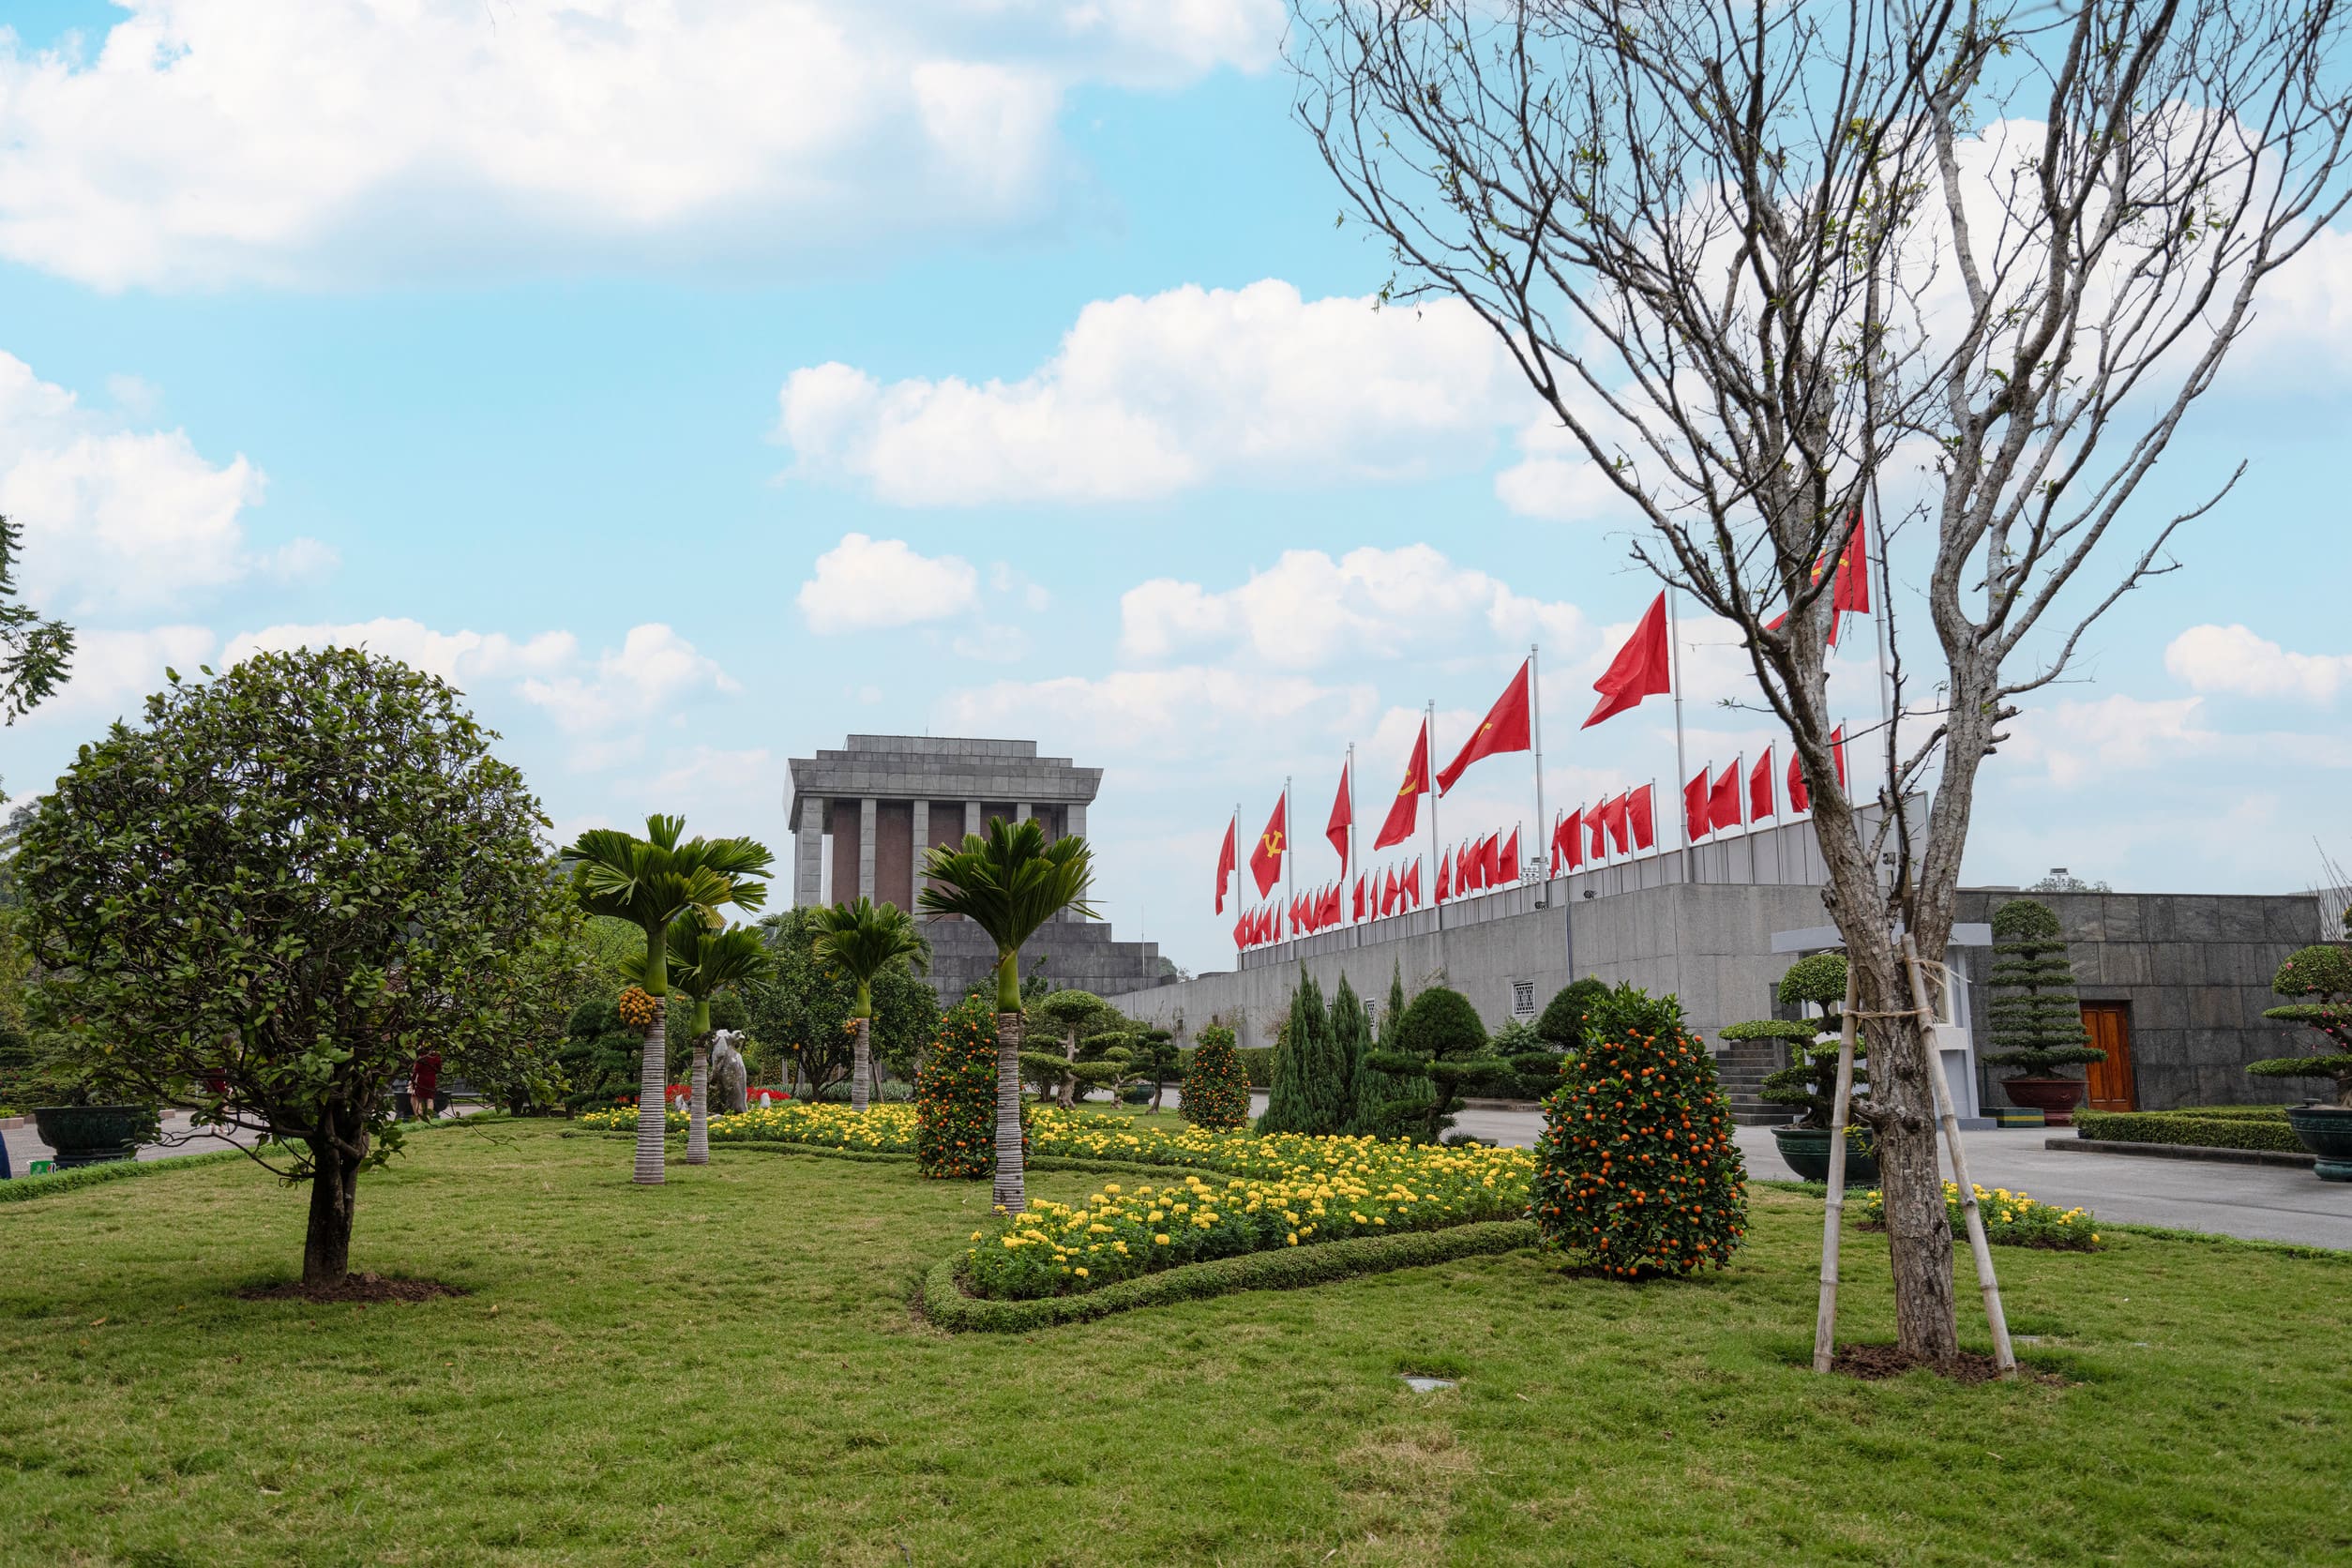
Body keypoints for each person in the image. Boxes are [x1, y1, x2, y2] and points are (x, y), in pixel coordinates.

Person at [409, 1050, 442, 1122]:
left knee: (419, 1100)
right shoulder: (436, 1056)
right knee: (430, 1099)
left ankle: (420, 1120)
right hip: (431, 1080)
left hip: (421, 1079)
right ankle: (429, 1119)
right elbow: (439, 1069)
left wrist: (412, 1079)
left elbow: (416, 1069)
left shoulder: (422, 1056)